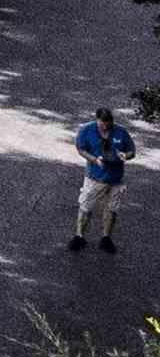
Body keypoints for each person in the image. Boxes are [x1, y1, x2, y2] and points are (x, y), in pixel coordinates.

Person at [74, 105, 135, 251]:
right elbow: (80, 149)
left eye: (109, 123)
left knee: (112, 210)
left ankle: (106, 238)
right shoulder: (86, 130)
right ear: (97, 120)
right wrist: (94, 160)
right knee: (85, 208)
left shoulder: (121, 132)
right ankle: (79, 236)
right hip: (94, 178)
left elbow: (132, 151)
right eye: (103, 123)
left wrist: (125, 155)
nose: (106, 126)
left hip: (115, 179)